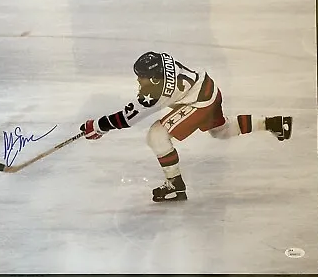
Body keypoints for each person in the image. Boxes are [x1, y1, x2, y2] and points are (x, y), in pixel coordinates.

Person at [80, 51, 293, 202]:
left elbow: (128, 118)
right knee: (221, 131)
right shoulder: (163, 60)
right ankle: (273, 123)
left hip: (200, 102)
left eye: (142, 78)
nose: (139, 82)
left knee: (156, 135)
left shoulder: (155, 93)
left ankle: (174, 186)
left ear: (154, 79)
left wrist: (98, 126)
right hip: (209, 87)